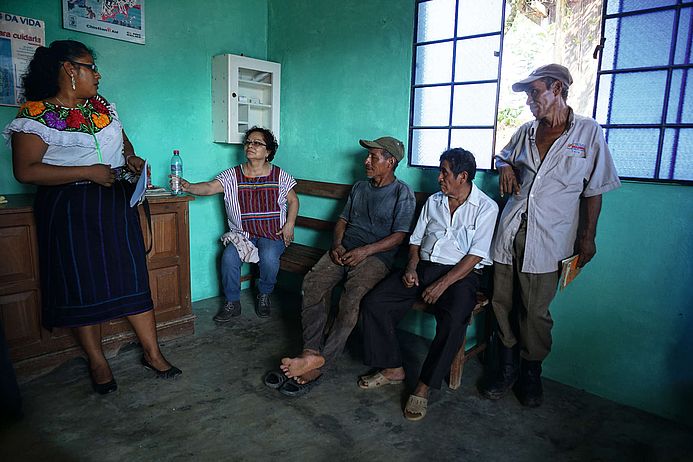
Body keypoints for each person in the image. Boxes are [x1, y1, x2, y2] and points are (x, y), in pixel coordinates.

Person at [4, 40, 181, 395]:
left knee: (132, 277)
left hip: (114, 203)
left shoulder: (103, 110)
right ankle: (98, 362)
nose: (98, 74)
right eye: (90, 67)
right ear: (70, 70)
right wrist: (87, 171)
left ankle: (152, 352)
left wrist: (131, 159)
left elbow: (124, 146)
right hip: (69, 209)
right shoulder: (35, 116)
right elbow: (25, 171)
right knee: (81, 283)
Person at [480, 64, 621, 407]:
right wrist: (504, 165)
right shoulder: (526, 132)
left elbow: (595, 190)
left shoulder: (587, 132)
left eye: (534, 92)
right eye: (527, 94)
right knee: (501, 302)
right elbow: (502, 155)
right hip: (511, 228)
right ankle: (507, 367)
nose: (529, 100)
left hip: (549, 238)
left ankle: (531, 373)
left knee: (535, 311)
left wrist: (587, 239)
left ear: (557, 89)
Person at [358, 148, 498, 421]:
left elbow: (476, 256)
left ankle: (423, 386)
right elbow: (415, 240)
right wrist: (411, 267)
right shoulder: (434, 202)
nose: (439, 178)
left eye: (444, 172)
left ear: (463, 176)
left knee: (456, 317)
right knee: (375, 303)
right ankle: (392, 368)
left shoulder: (486, 207)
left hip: (461, 274)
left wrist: (442, 284)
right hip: (424, 266)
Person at [270, 137, 416, 397]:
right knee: (312, 285)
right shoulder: (360, 187)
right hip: (344, 251)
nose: (366, 161)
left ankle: (322, 361)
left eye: (373, 157)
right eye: (367, 156)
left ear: (390, 162)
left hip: (375, 257)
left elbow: (400, 236)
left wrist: (365, 251)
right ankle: (310, 352)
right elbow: (341, 221)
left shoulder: (402, 193)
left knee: (352, 302)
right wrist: (336, 245)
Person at [178, 127, 298, 319]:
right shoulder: (232, 175)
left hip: (272, 233)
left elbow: (293, 200)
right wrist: (189, 186)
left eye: (257, 143)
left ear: (268, 152)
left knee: (268, 257)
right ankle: (232, 303)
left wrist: (289, 224)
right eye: (248, 142)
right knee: (228, 258)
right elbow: (209, 187)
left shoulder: (280, 176)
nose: (251, 145)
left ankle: (264, 294)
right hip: (243, 235)